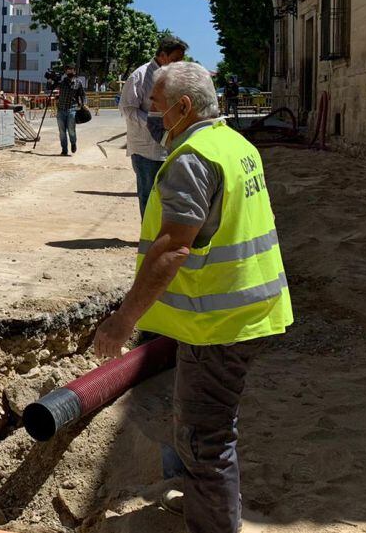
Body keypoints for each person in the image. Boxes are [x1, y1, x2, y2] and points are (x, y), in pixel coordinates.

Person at [94, 61, 293, 533]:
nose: (156, 119)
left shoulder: (192, 159)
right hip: (249, 309)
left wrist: (123, 321)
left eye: (160, 109)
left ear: (185, 107)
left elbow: (172, 248)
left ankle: (215, 522)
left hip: (218, 324)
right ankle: (210, 502)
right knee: (210, 428)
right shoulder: (235, 145)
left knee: (206, 439)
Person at [120, 36, 188, 216]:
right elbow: (128, 109)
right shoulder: (140, 76)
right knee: (148, 196)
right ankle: (148, 238)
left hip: (172, 147)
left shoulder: (176, 77)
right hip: (146, 151)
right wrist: (155, 122)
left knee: (169, 196)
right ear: (163, 55)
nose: (178, 64)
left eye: (181, 60)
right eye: (175, 60)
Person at [54, 64, 86, 155]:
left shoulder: (78, 82)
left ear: (74, 71)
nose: (70, 71)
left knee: (71, 129)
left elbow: (82, 94)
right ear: (66, 71)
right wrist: (52, 80)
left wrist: (83, 104)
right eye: (68, 70)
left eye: (71, 69)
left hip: (72, 109)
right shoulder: (62, 82)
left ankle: (73, 143)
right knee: (62, 131)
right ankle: (64, 149)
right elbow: (52, 87)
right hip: (61, 109)